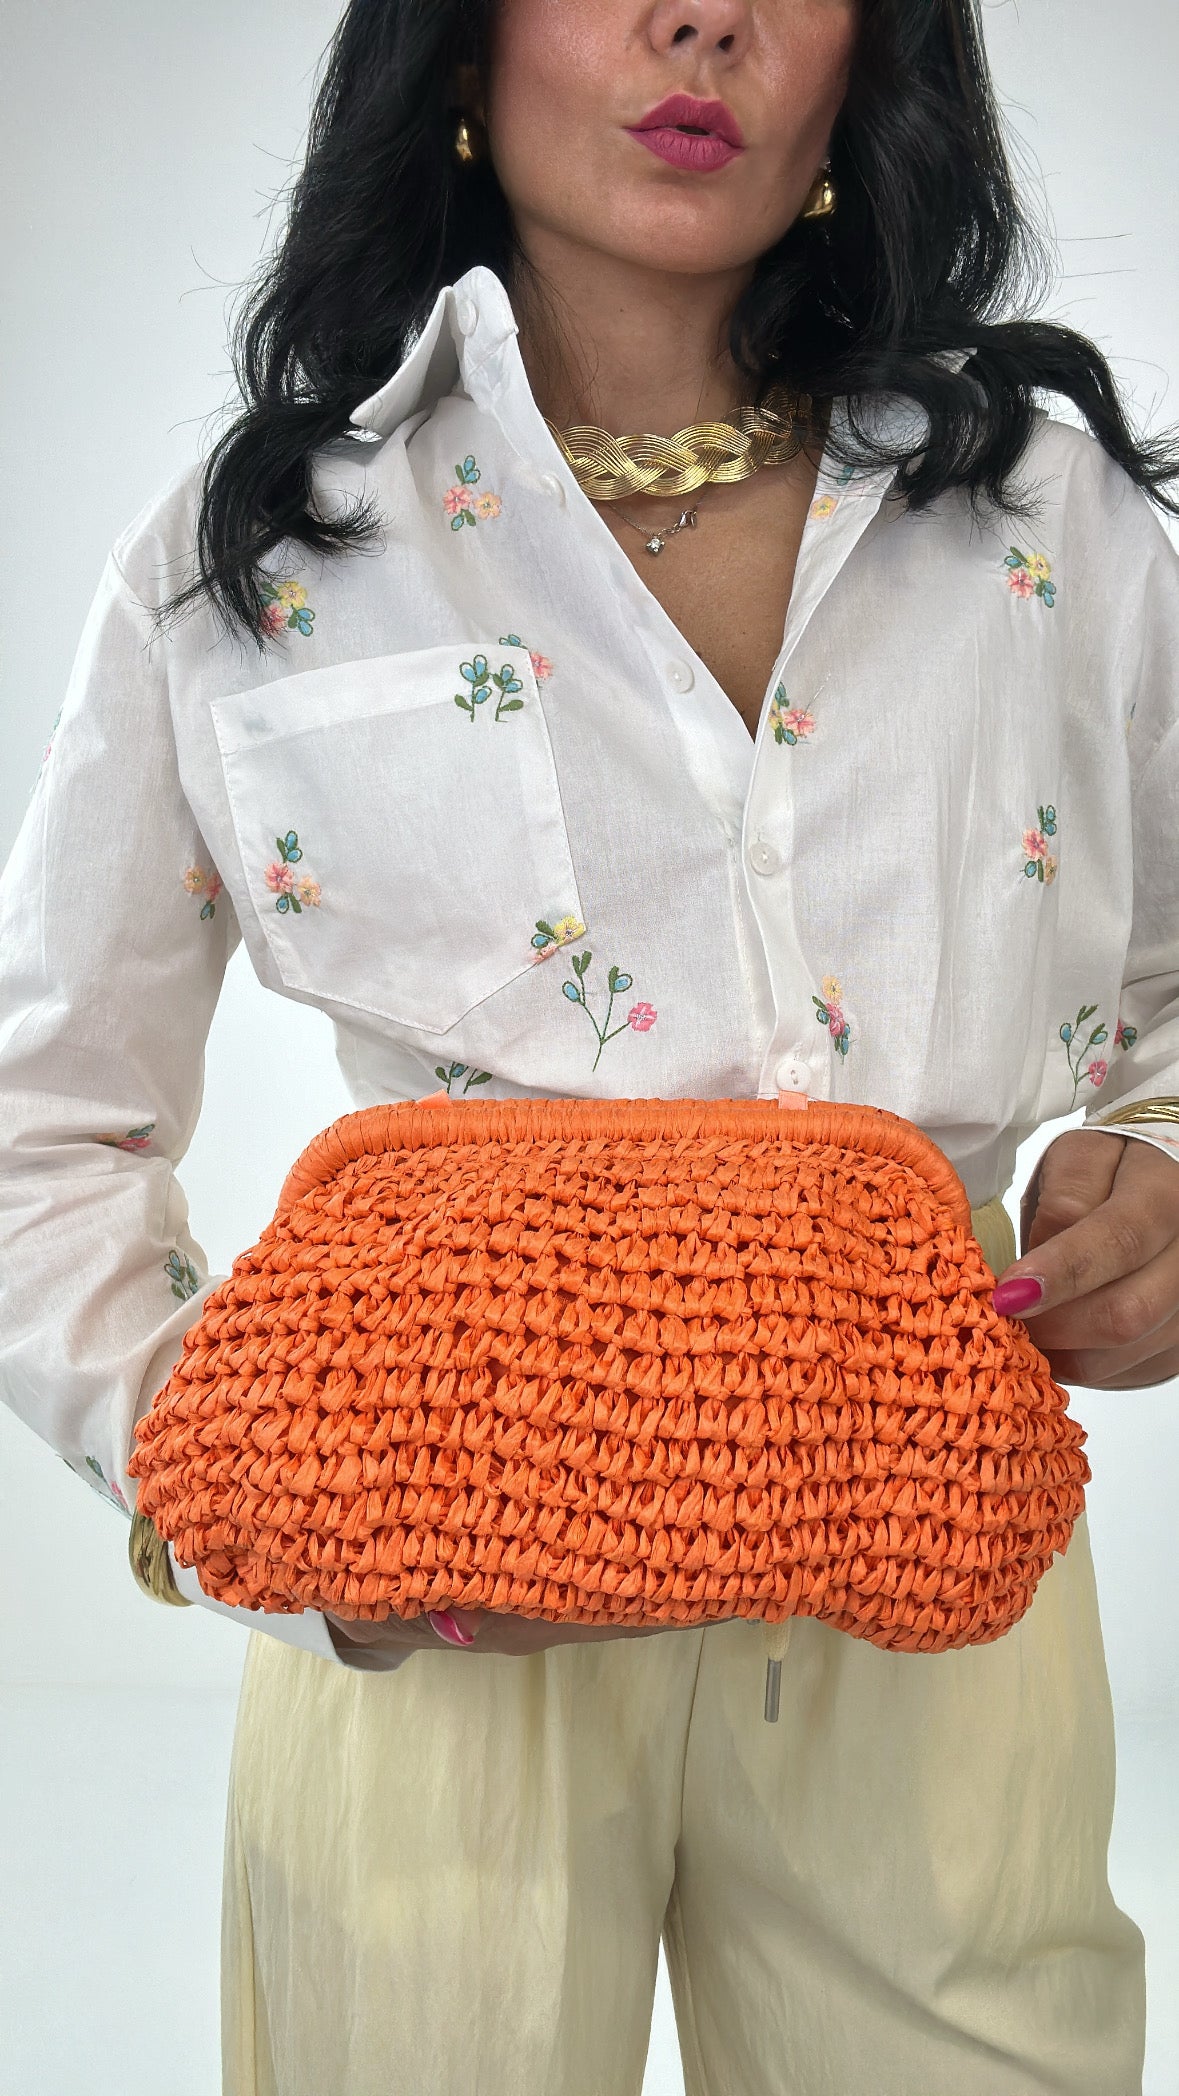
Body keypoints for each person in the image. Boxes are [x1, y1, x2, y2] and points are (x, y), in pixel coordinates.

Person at [3, 0, 1179, 2089]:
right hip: (434, 1596)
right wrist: (242, 1505)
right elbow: (43, 1116)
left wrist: (1167, 1161)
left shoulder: (1044, 519)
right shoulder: (253, 554)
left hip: (927, 1554)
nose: (699, 18)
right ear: (455, 53)